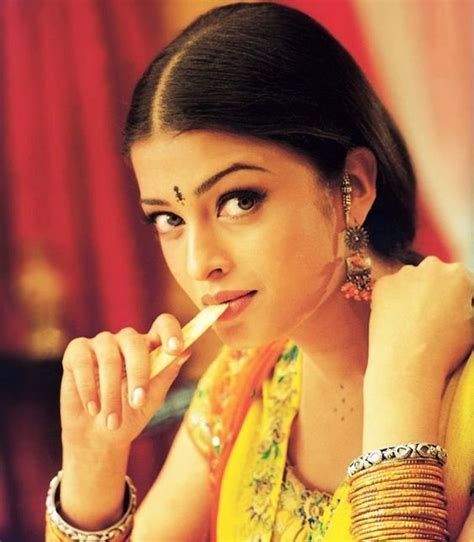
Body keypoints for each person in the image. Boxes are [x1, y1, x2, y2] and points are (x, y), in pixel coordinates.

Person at [45, 3, 473, 541]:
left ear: (354, 186)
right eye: (169, 219)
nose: (199, 263)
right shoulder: (244, 382)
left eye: (239, 200)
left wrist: (401, 390)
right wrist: (92, 462)